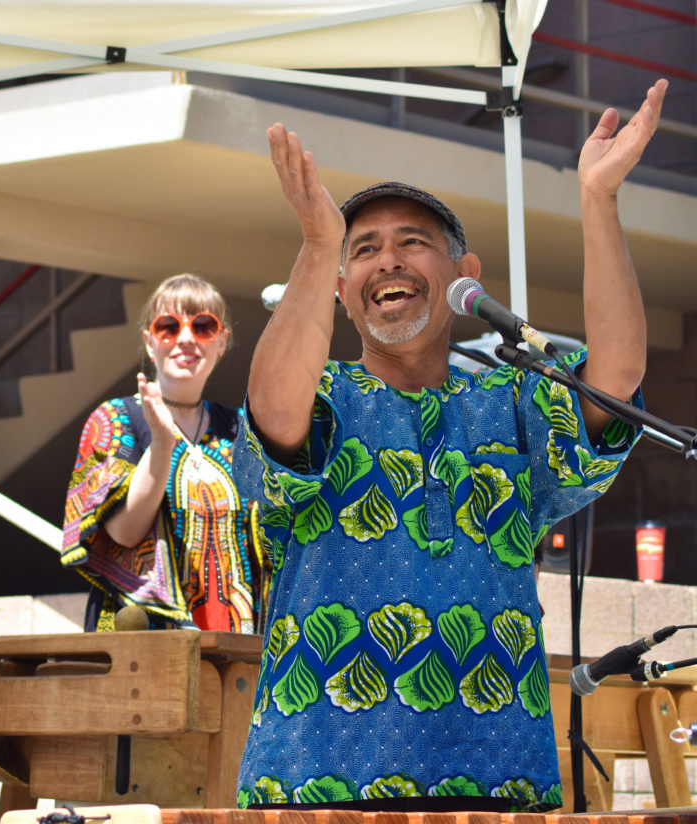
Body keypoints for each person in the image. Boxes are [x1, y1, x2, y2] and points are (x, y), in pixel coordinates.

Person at [231, 79, 668, 812]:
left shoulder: (512, 400)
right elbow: (274, 414)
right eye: (362, 249)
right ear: (343, 291)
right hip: (317, 785)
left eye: (412, 243)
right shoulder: (325, 396)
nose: (388, 260)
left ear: (466, 278)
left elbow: (615, 379)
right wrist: (316, 246)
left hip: (500, 781)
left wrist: (600, 199)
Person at [61, 273, 268, 634]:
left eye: (203, 326)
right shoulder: (115, 419)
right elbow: (125, 533)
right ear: (149, 341)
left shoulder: (239, 429)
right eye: (168, 326)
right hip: (142, 643)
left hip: (235, 645)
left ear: (221, 342)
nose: (185, 338)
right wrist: (160, 444)